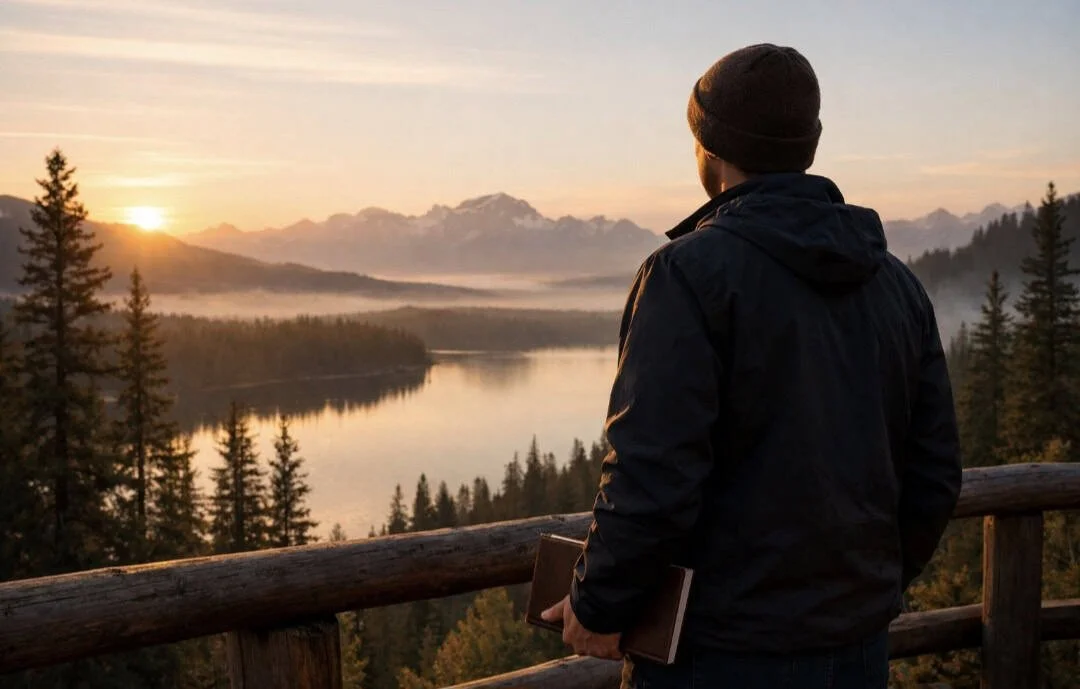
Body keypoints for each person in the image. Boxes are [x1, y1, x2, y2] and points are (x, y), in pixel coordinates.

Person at [541, 43, 962, 688]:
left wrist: (599, 605)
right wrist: (862, 590)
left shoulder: (686, 276)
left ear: (710, 150)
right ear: (808, 146)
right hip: (856, 650)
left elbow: (653, 473)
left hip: (717, 653)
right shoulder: (897, 285)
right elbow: (933, 475)